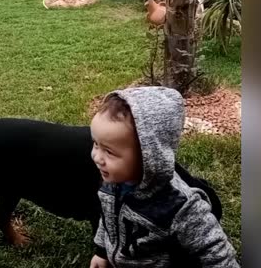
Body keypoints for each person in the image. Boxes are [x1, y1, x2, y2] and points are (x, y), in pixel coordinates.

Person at [89, 86, 239, 267]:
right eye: (96, 144)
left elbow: (217, 253)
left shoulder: (179, 206)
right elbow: (108, 220)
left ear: (149, 156)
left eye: (109, 152)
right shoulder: (113, 183)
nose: (97, 157)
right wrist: (102, 252)